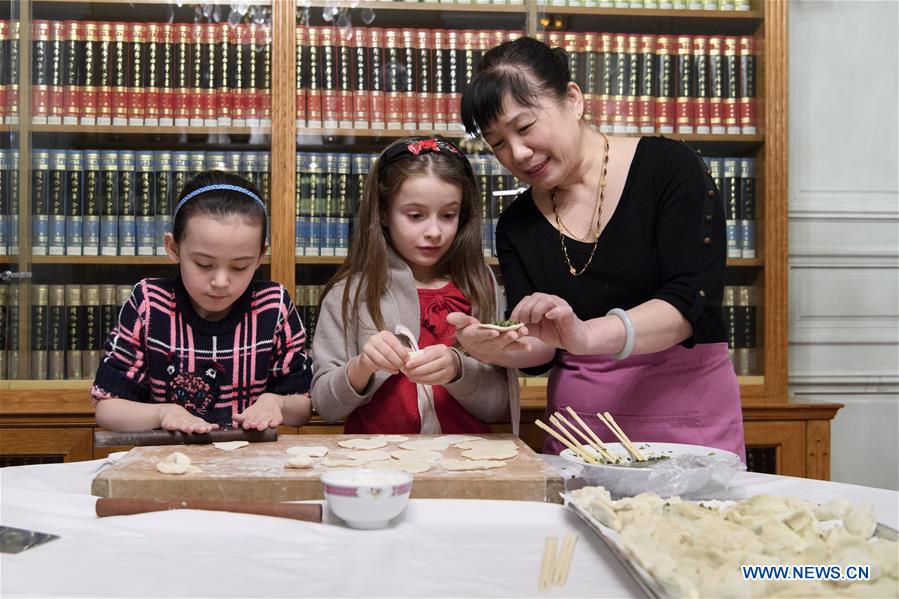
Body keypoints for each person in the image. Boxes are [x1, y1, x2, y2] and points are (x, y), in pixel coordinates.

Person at [450, 37, 745, 460]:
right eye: (496, 142)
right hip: (580, 431)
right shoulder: (517, 224)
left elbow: (688, 305)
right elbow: (542, 348)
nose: (516, 153)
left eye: (525, 127)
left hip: (687, 416)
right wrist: (502, 348)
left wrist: (585, 335)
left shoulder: (670, 168)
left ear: (572, 99)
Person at [311, 135, 519, 434]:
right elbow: (326, 406)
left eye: (448, 215)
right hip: (377, 466)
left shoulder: (480, 285)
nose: (434, 231)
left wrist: (458, 370)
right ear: (383, 213)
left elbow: (499, 404)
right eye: (415, 215)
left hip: (464, 466)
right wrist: (362, 367)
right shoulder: (349, 293)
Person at [91, 171, 314, 433]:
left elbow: (304, 406)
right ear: (173, 248)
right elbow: (107, 407)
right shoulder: (150, 303)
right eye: (203, 264)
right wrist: (164, 413)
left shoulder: (272, 305)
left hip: (250, 462)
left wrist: (276, 403)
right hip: (170, 463)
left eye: (240, 267)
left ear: (260, 256)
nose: (220, 281)